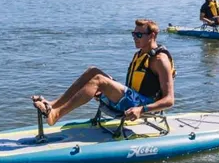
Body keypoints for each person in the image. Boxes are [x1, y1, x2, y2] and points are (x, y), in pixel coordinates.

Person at [31, 19, 175, 126]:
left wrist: (141, 110)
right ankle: (54, 105)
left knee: (99, 80)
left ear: (152, 35)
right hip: (133, 97)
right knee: (92, 71)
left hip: (143, 105)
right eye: (133, 34)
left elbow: (169, 100)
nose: (134, 37)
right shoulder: (141, 53)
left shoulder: (160, 59)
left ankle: (57, 115)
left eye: (139, 35)